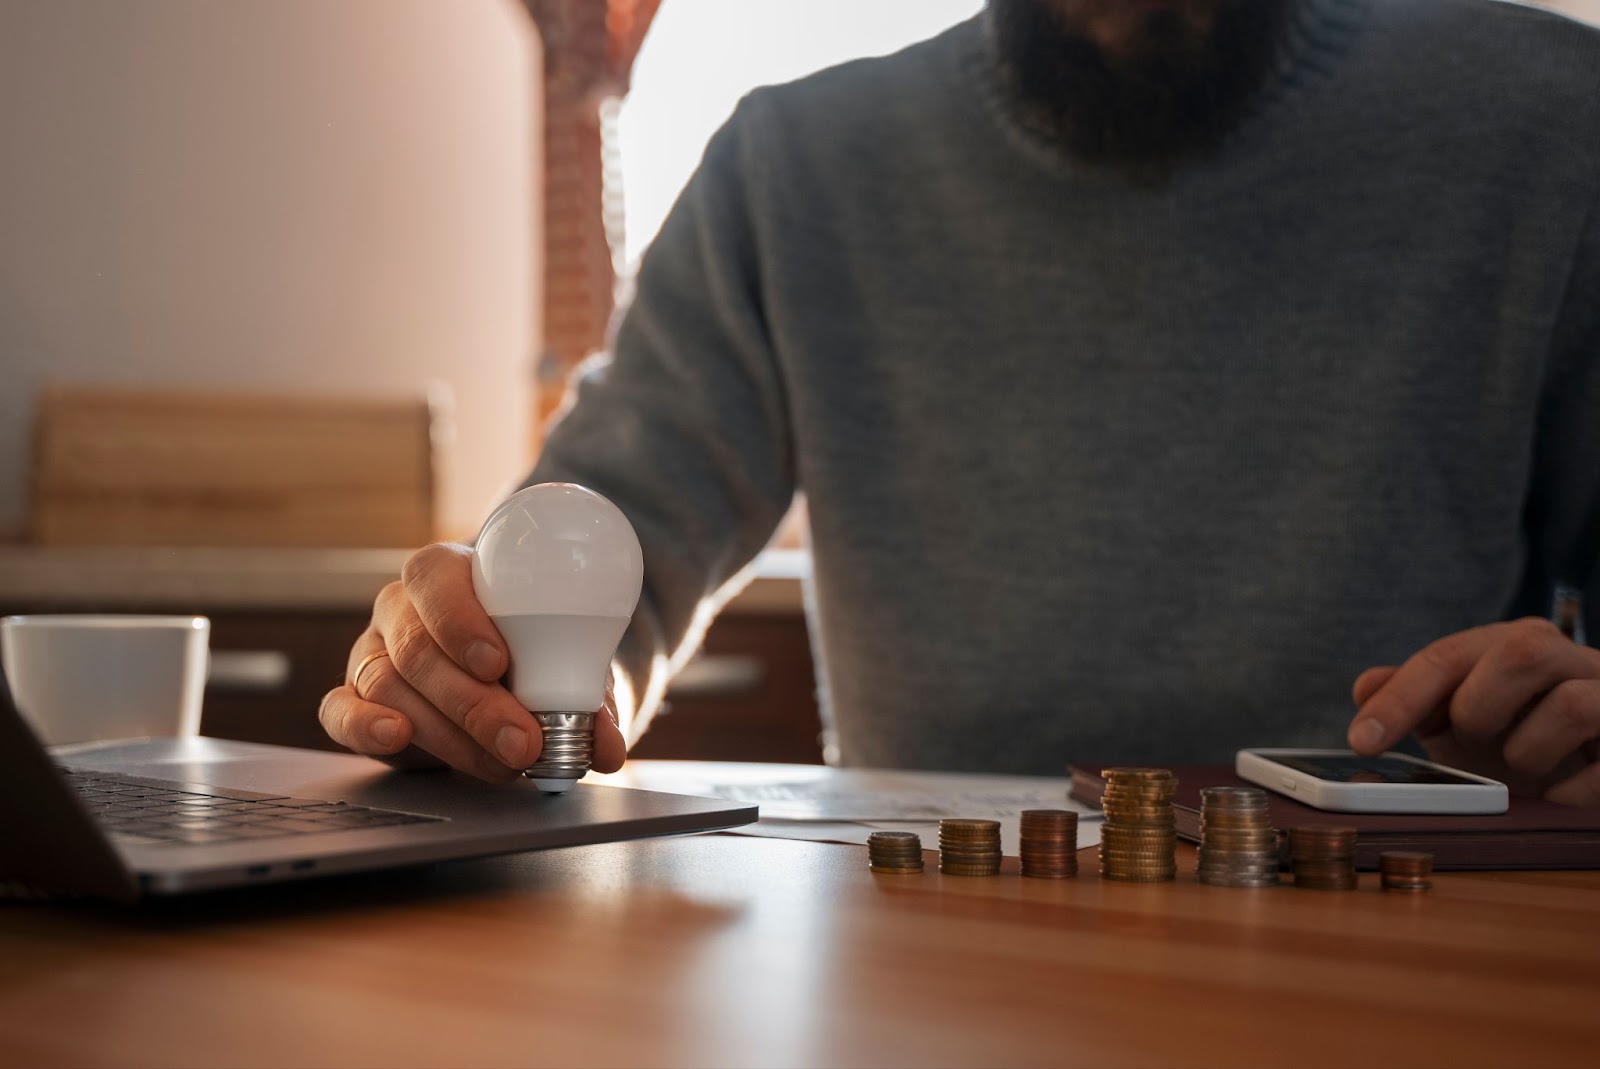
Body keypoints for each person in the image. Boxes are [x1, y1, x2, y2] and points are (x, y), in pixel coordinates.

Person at [318, 0, 1600, 805]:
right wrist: (470, 668)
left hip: (1433, 936)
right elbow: (613, 534)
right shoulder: (793, 166)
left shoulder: (1547, 125)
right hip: (923, 947)